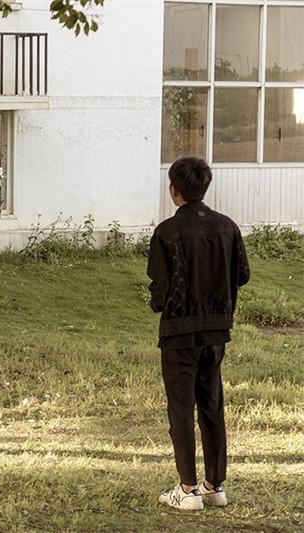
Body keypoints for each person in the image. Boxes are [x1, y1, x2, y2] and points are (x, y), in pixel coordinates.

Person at [148, 156, 250, 510]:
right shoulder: (227, 227)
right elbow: (242, 275)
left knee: (181, 408)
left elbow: (160, 287)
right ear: (205, 187)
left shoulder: (166, 232)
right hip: (217, 330)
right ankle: (214, 485)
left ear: (174, 190)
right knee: (212, 405)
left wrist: (160, 302)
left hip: (179, 333)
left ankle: (187, 488)